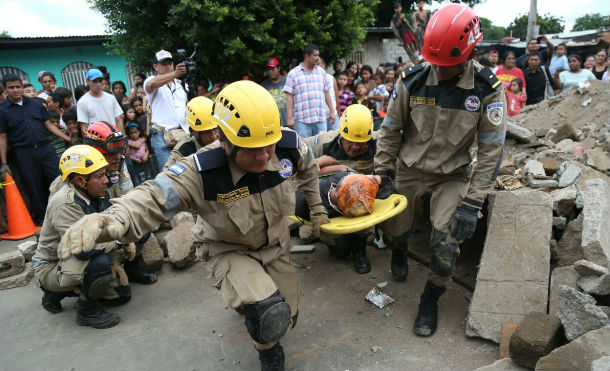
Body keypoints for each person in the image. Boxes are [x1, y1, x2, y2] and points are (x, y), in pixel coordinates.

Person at [56, 80, 328, 371]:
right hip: (230, 250)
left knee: (287, 317)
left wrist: (318, 210)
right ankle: (268, 351)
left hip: (276, 247)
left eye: (267, 146)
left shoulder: (288, 147)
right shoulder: (201, 171)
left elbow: (310, 170)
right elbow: (153, 196)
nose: (263, 157)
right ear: (223, 139)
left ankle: (253, 304)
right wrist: (113, 217)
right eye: (251, 149)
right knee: (267, 311)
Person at [374, 4, 506, 337]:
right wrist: (383, 173)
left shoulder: (488, 90)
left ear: (470, 52)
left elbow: (491, 152)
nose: (441, 71)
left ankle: (430, 297)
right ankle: (399, 251)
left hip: (452, 175)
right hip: (409, 168)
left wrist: (473, 203)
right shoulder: (413, 80)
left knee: (445, 243)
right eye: (436, 63)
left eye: (449, 65)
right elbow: (390, 130)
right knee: (394, 229)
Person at [32, 145, 132, 328]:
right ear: (79, 180)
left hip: (73, 254)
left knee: (121, 295)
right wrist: (121, 240)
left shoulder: (94, 191)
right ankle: (87, 311)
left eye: (104, 174)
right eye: (99, 176)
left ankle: (60, 292)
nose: (105, 181)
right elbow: (83, 249)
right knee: (99, 263)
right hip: (53, 264)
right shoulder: (64, 203)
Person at [301, 104, 377, 273]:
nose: (356, 148)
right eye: (351, 142)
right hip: (330, 200)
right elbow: (295, 154)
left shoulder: (378, 142)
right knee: (340, 252)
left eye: (361, 143)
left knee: (359, 198)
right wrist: (320, 165)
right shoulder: (323, 141)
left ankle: (360, 251)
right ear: (341, 134)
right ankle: (334, 241)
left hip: (360, 200)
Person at [80, 121, 157, 285]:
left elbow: (129, 197)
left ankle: (132, 268)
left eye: (119, 150)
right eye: (111, 152)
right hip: (87, 230)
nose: (117, 157)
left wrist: (130, 221)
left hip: (111, 217)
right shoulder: (76, 174)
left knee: (141, 225)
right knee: (120, 294)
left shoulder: (119, 163)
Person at [0, 74, 67, 225]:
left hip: (46, 149)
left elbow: (49, 126)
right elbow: (2, 137)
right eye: (11, 87)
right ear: (5, 89)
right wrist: (4, 163)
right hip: (24, 153)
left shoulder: (35, 104)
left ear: (22, 87)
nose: (16, 90)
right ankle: (43, 220)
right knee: (33, 186)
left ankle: (65, 212)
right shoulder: (2, 111)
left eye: (18, 86)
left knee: (58, 181)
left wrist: (68, 138)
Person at [144, 50, 189, 172]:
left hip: (183, 134)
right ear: (155, 66)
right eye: (164, 64)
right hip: (161, 136)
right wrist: (175, 73)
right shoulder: (152, 80)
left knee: (188, 172)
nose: (168, 66)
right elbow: (151, 84)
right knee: (168, 175)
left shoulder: (181, 84)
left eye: (170, 63)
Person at [284, 43, 335, 137]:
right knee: (304, 149)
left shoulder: (321, 72)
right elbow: (289, 97)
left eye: (318, 55)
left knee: (320, 147)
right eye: (315, 55)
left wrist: (332, 111)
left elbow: (326, 92)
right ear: (306, 56)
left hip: (320, 119)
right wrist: (290, 118)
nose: (318, 58)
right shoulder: (293, 73)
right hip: (302, 121)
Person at [164, 96, 218, 170]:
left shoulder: (228, 142)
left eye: (216, 129)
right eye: (206, 132)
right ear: (192, 131)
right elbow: (167, 176)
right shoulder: (182, 151)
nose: (214, 136)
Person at [77, 69, 124, 133]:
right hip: (96, 140)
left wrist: (122, 140)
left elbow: (119, 120)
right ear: (88, 81)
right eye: (95, 81)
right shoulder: (82, 102)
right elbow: (84, 127)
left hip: (114, 138)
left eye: (100, 81)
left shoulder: (111, 97)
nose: (98, 84)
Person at [261, 57, 288, 127]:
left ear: (278, 68)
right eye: (268, 69)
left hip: (290, 121)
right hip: (274, 124)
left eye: (272, 68)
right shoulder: (264, 86)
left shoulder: (287, 81)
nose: (270, 71)